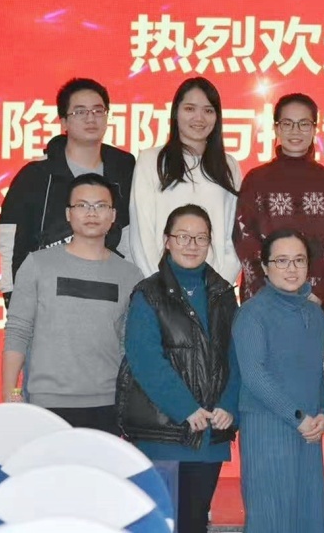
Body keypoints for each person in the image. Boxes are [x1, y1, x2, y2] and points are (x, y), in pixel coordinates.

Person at [121, 204, 240, 533]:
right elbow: (144, 359)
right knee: (160, 525)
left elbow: (235, 357)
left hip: (210, 435)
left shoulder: (223, 293)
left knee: (194, 523)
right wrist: (185, 408)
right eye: (183, 237)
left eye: (201, 238)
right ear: (167, 241)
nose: (192, 245)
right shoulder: (148, 293)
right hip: (164, 432)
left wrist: (228, 406)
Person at [2, 173, 143, 433]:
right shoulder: (37, 264)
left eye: (101, 206)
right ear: (68, 213)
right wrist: (10, 393)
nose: (92, 213)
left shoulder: (130, 275)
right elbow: (18, 331)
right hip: (47, 403)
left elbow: (129, 344)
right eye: (82, 205)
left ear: (113, 215)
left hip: (107, 404)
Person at [0, 77, 135, 308]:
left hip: (109, 295)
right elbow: (9, 239)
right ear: (63, 121)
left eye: (98, 110)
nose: (90, 118)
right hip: (50, 298)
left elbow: (132, 237)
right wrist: (13, 297)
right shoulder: (35, 176)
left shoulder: (124, 170)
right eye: (80, 112)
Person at [234, 229, 324, 533]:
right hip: (267, 428)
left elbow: (323, 370)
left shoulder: (315, 314)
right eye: (281, 261)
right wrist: (298, 418)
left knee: (309, 516)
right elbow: (254, 374)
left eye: (299, 260)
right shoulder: (252, 313)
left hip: (309, 430)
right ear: (265, 267)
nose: (291, 269)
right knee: (270, 518)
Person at [233, 93, 324, 313]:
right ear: (276, 129)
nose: (295, 131)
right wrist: (265, 293)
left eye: (303, 124)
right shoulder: (256, 180)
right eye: (287, 123)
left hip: (313, 303)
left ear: (314, 128)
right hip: (264, 305)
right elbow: (245, 238)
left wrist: (321, 294)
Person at [130, 77, 242, 284]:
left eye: (208, 110)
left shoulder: (229, 165)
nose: (199, 118)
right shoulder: (151, 160)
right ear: (176, 113)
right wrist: (162, 286)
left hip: (212, 287)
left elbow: (234, 237)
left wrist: (217, 287)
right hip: (161, 285)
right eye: (190, 109)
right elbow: (142, 234)